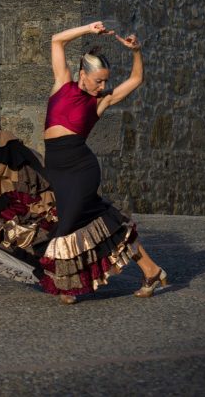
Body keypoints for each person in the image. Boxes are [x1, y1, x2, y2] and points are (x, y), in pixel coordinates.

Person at [40, 21, 167, 305]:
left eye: (106, 81)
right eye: (98, 80)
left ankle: (69, 285)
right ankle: (151, 270)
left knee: (68, 223)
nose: (103, 86)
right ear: (82, 74)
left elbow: (135, 81)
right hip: (56, 169)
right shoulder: (63, 83)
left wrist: (137, 52)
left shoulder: (101, 102)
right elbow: (56, 40)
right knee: (103, 222)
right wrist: (88, 29)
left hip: (81, 169)